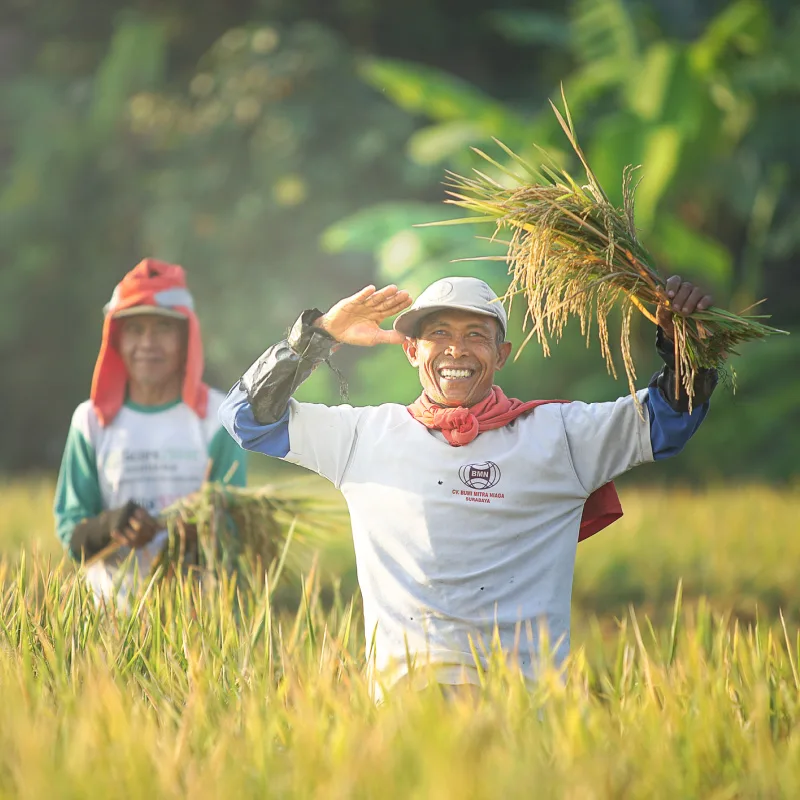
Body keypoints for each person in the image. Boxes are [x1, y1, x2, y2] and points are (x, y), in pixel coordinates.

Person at [219, 275, 716, 698]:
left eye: (475, 335)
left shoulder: (559, 435)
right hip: (407, 708)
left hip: (526, 704)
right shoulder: (362, 437)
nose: (456, 349)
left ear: (500, 355)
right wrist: (320, 335)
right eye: (438, 333)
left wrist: (684, 339)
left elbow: (670, 417)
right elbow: (247, 419)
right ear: (412, 351)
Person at [54, 258, 247, 603]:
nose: (147, 343)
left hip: (198, 625)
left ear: (187, 336)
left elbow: (236, 530)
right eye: (134, 329)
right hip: (110, 624)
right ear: (116, 337)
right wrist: (112, 526)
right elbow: (72, 533)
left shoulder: (218, 420)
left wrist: (186, 533)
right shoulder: (92, 421)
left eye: (163, 328)